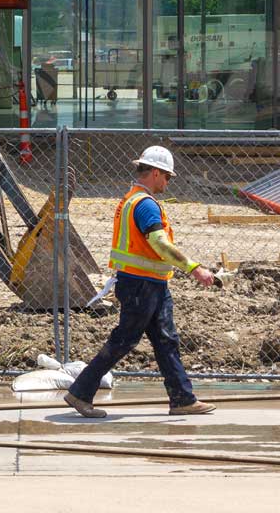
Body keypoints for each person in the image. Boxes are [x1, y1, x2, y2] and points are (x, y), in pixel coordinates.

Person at [64, 146, 217, 418]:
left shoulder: (132, 199)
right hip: (140, 285)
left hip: (151, 284)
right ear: (155, 173)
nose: (168, 182)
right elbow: (159, 243)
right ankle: (80, 392)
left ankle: (182, 398)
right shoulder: (144, 204)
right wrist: (194, 269)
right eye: (167, 177)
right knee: (123, 340)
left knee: (166, 341)